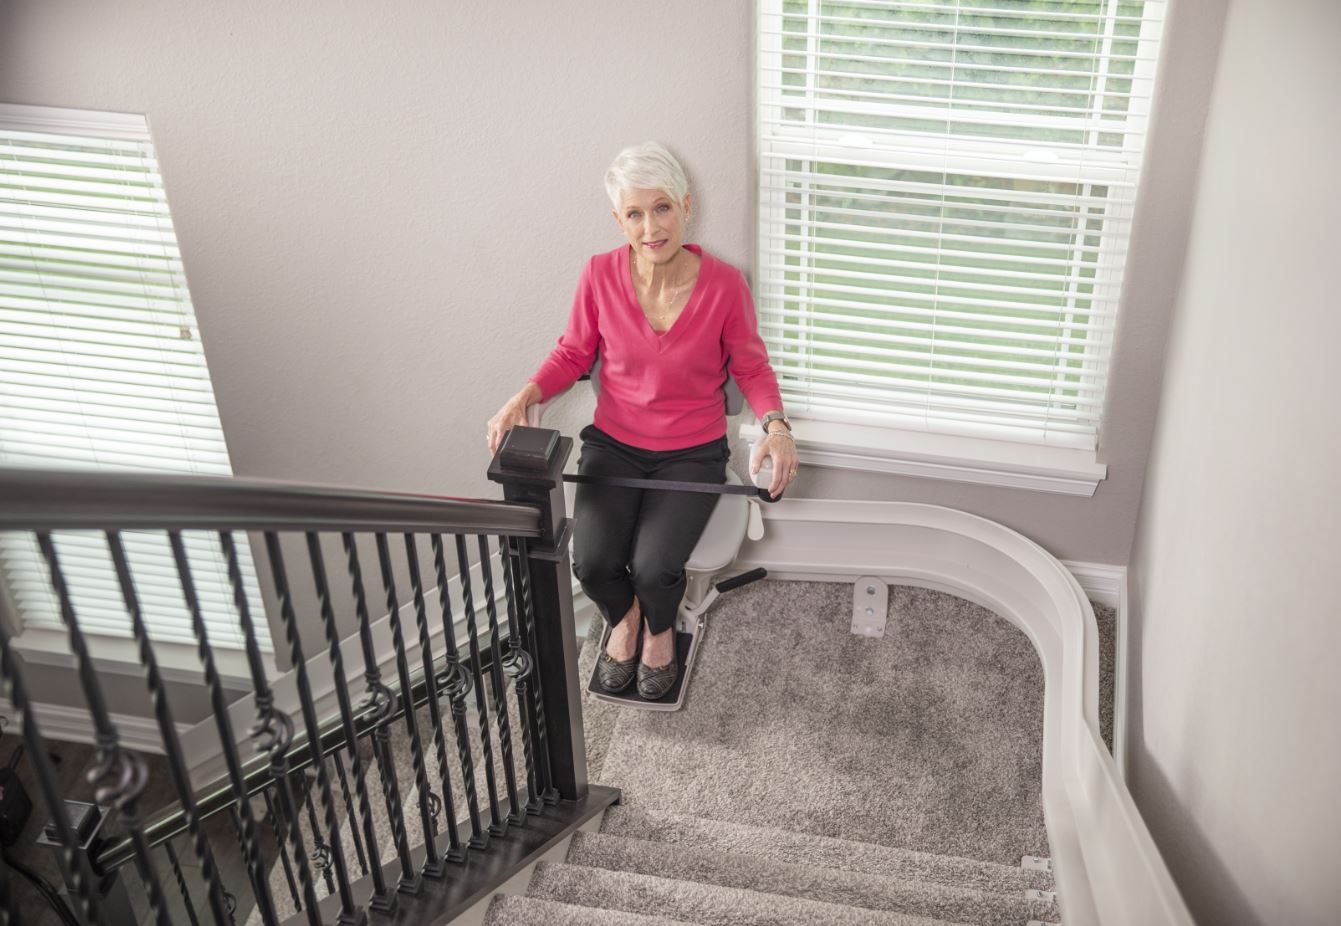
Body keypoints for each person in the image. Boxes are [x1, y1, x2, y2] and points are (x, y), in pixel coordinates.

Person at [486, 141, 798, 699]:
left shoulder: (725, 286)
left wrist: (776, 426)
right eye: (634, 213)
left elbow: (752, 368)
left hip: (692, 453)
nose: (650, 227)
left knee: (655, 567)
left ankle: (658, 630)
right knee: (593, 563)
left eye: (662, 209)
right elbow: (573, 354)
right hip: (614, 447)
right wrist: (524, 395)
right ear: (618, 219)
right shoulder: (599, 274)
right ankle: (624, 619)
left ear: (685, 206)